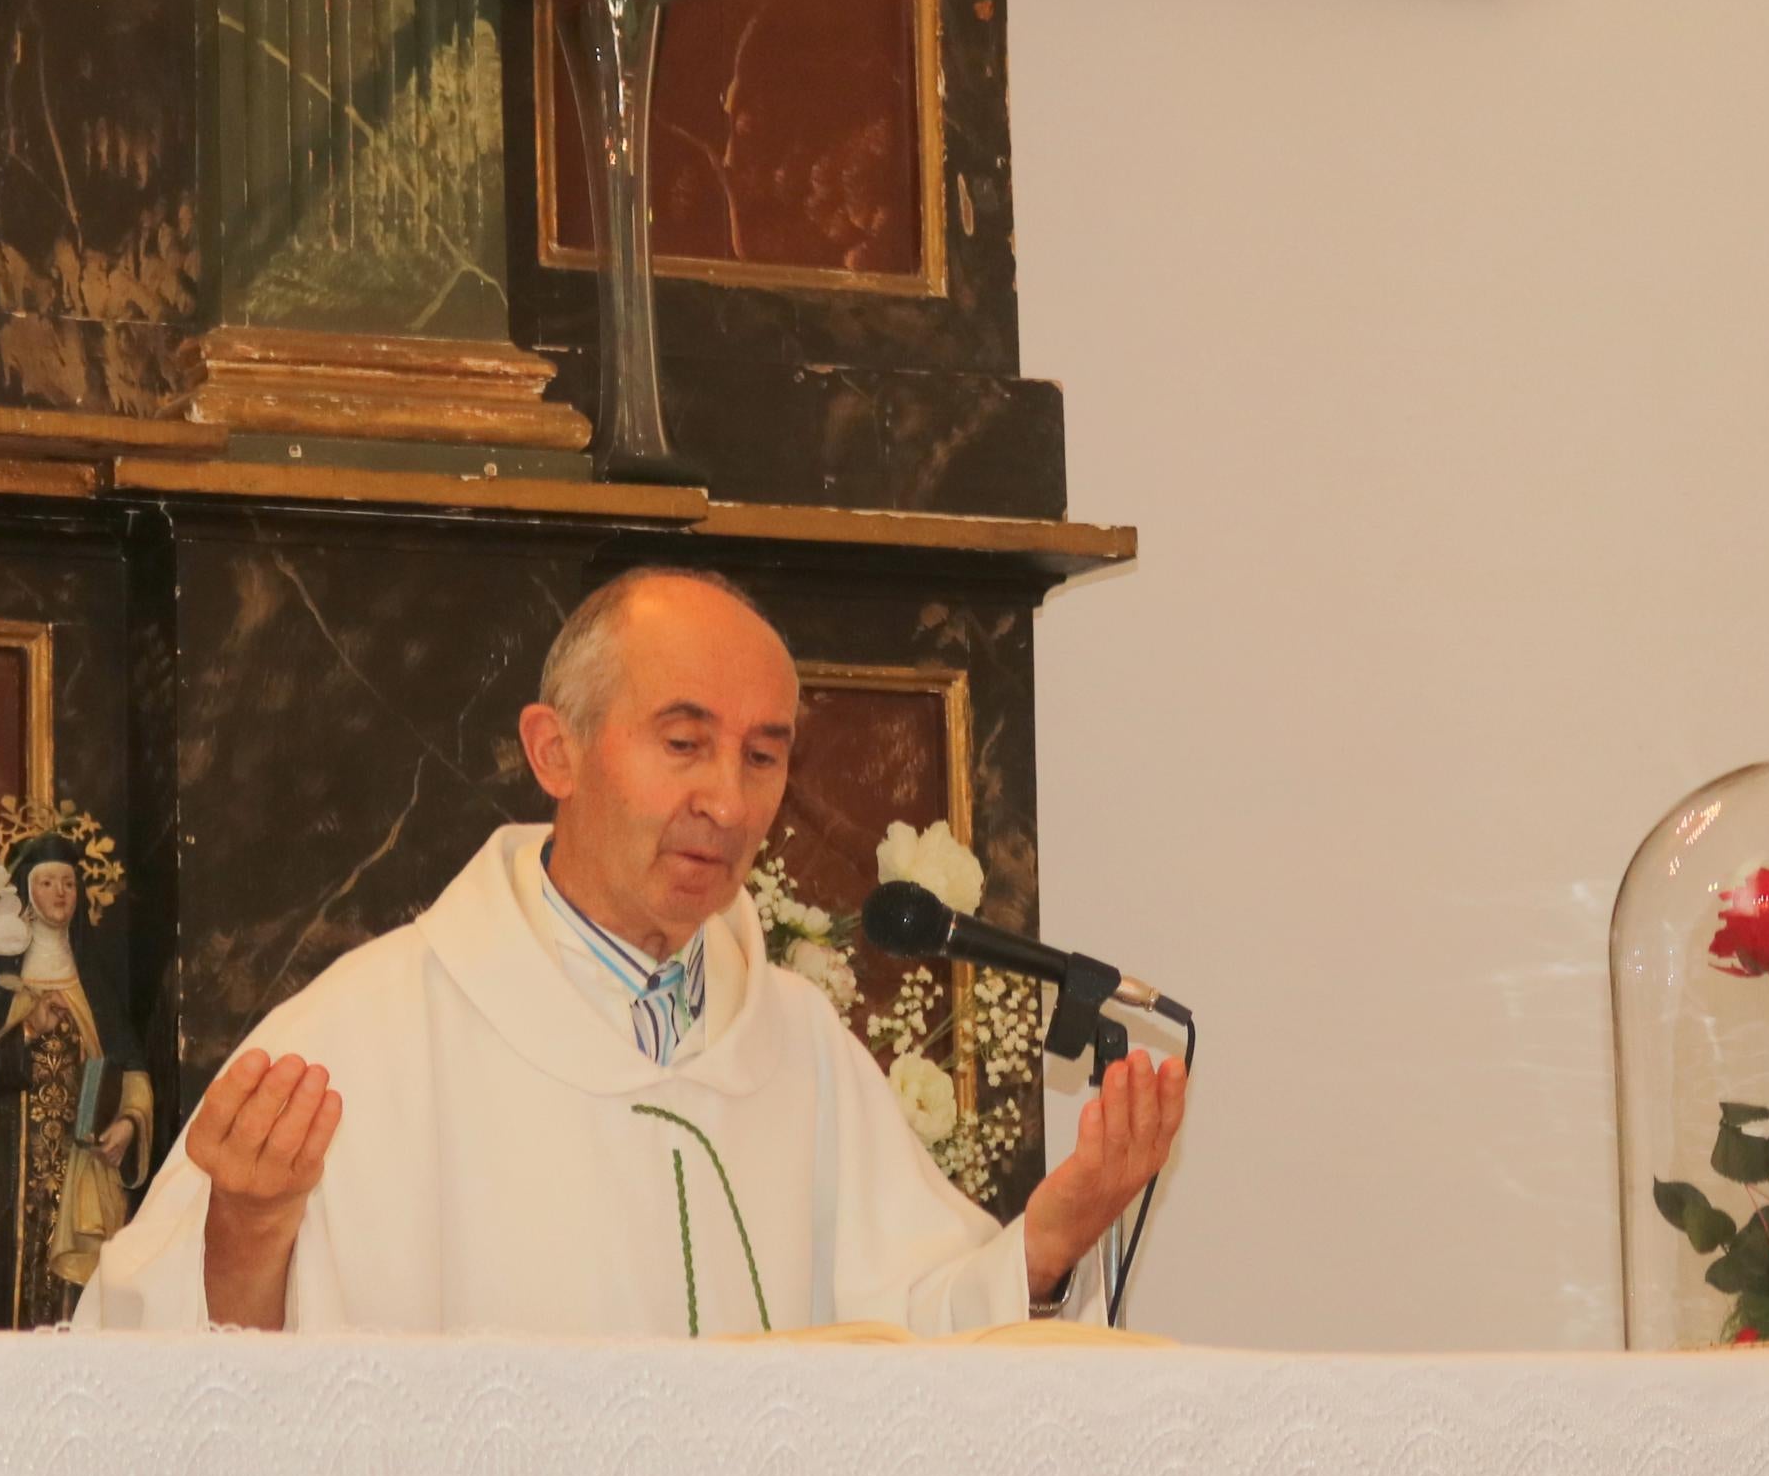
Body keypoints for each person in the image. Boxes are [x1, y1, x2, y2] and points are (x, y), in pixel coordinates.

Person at [78, 568, 1190, 1335]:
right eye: (683, 742)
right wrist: (248, 1229)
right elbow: (155, 1373)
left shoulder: (794, 1043)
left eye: (763, 757)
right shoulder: (362, 1036)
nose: (727, 800)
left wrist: (1047, 1241)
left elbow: (909, 1334)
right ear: (553, 751)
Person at [0, 832, 152, 1328]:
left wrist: (129, 1121)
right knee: (15, 1282)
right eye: (47, 883)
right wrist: (24, 1034)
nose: (61, 893)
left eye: (69, 883)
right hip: (12, 1168)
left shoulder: (93, 984)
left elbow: (130, 1068)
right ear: (25, 891)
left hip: (82, 1166)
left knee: (77, 1298)